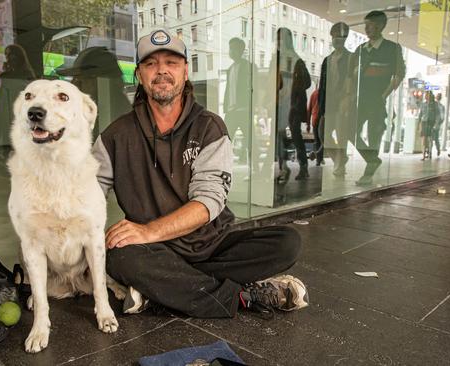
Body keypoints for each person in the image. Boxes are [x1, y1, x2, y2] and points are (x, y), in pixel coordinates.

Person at [92, 29, 308, 319]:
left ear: (185, 71)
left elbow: (208, 203)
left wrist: (148, 230)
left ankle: (165, 293)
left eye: (171, 62)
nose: (162, 71)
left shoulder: (209, 127)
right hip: (154, 251)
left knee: (287, 242)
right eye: (151, 64)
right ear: (140, 75)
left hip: (212, 243)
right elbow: (86, 195)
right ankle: (242, 296)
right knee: (118, 257)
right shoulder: (114, 136)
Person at [352, 11, 406, 185]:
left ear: (381, 26)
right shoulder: (361, 50)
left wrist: (384, 95)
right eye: (365, 24)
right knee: (351, 131)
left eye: (371, 24)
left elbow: (399, 74)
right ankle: (372, 159)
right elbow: (350, 74)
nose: (367, 28)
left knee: (374, 134)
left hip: (377, 100)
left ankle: (368, 173)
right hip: (360, 99)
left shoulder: (391, 48)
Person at [268, 28, 311, 183]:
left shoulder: (296, 59)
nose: (279, 42)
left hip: (293, 104)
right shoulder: (276, 59)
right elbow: (269, 82)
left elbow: (307, 82)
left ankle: (303, 166)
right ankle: (283, 167)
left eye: (282, 38)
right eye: (277, 38)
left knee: (295, 135)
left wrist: (294, 87)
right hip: (279, 104)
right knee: (279, 136)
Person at [318, 22, 355, 177]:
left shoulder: (350, 58)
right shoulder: (327, 60)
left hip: (343, 102)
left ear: (345, 38)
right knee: (323, 133)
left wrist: (348, 99)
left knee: (341, 135)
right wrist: (321, 106)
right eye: (335, 36)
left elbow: (353, 81)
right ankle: (340, 159)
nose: (337, 40)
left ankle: (340, 165)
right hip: (329, 102)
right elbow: (322, 85)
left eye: (340, 37)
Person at [0, 44, 36, 157]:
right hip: (10, 124)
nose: (8, 58)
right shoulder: (7, 78)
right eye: (6, 54)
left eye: (11, 54)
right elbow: (2, 112)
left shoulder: (28, 78)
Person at [224, 38, 257, 166]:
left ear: (240, 50)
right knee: (225, 141)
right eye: (230, 48)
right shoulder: (230, 69)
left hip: (243, 111)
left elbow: (255, 88)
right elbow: (229, 90)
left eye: (233, 48)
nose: (230, 51)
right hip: (231, 111)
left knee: (250, 141)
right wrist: (226, 106)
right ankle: (223, 168)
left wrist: (252, 107)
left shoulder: (249, 67)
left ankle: (254, 169)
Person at [418, 91, 439, 161]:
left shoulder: (435, 105)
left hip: (431, 123)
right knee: (424, 139)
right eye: (426, 95)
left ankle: (429, 153)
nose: (426, 96)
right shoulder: (423, 104)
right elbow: (420, 115)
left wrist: (436, 124)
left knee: (430, 139)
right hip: (424, 123)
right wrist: (419, 124)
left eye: (428, 95)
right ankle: (423, 154)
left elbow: (437, 115)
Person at [434, 93, 446, 158]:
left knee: (436, 138)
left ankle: (438, 149)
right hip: (433, 123)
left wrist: (439, 123)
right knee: (433, 138)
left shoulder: (441, 106)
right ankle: (429, 151)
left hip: (437, 124)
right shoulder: (434, 105)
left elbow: (442, 117)